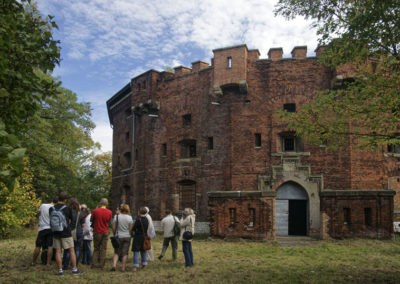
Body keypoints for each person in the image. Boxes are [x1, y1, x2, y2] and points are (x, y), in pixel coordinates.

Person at [49, 192, 83, 276]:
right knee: (71, 250)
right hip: (66, 233)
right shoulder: (67, 209)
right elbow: (71, 220)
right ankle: (74, 270)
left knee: (58, 251)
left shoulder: (51, 208)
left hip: (55, 232)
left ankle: (60, 271)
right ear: (65, 200)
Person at [31, 197, 57, 266]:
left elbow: (39, 213)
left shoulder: (43, 205)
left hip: (42, 228)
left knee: (38, 246)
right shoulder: (55, 208)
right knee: (50, 246)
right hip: (50, 228)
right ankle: (48, 263)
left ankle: (33, 262)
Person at [62, 198, 84, 270]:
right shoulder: (80, 213)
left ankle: (65, 265)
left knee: (67, 249)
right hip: (79, 232)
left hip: (69, 232)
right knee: (77, 249)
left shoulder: (68, 212)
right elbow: (83, 224)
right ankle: (74, 264)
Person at [90, 198, 112, 269]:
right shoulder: (109, 212)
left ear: (100, 203)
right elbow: (109, 220)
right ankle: (101, 264)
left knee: (96, 248)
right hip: (105, 231)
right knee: (103, 249)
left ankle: (94, 264)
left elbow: (91, 219)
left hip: (97, 231)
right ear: (107, 204)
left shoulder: (95, 211)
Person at [111, 204, 133, 272]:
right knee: (125, 253)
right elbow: (130, 229)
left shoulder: (116, 216)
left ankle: (114, 265)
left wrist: (114, 233)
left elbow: (114, 227)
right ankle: (123, 267)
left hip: (119, 236)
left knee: (116, 252)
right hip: (127, 236)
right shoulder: (129, 218)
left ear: (120, 209)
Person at [130, 207, 149, 272]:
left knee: (136, 250)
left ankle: (135, 265)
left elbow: (134, 228)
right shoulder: (146, 219)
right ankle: (144, 263)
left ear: (139, 212)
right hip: (144, 236)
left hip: (138, 236)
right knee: (143, 249)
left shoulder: (138, 219)